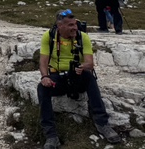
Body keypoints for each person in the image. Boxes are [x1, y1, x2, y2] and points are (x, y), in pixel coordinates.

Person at [38, 9, 121, 147]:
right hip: (57, 76)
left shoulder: (83, 37)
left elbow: (90, 63)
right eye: (70, 25)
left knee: (89, 77)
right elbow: (43, 61)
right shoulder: (49, 36)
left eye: (75, 24)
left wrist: (82, 67)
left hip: (77, 75)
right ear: (60, 26)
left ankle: (102, 123)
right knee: (42, 88)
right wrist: (45, 77)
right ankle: (51, 135)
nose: (75, 28)